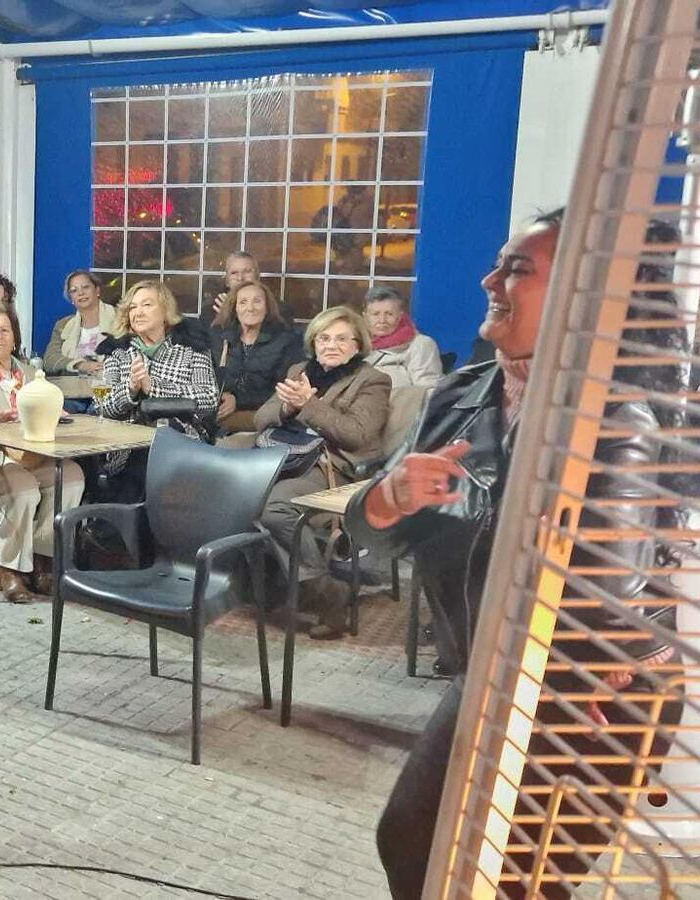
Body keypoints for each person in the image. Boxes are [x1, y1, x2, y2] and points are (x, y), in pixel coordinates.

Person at [347, 209, 682, 898]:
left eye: (518, 269)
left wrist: (576, 677)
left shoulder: (615, 417)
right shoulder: (464, 394)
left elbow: (606, 586)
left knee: (512, 879)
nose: (489, 279)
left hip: (591, 686)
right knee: (414, 842)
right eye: (501, 262)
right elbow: (375, 534)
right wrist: (387, 497)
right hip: (496, 666)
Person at [254, 305, 390, 640]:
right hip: (287, 460)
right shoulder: (301, 370)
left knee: (274, 508)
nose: (331, 345)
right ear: (314, 343)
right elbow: (262, 418)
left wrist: (308, 406)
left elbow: (356, 434)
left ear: (358, 346)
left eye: (343, 339)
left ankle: (328, 595)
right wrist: (287, 407)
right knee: (231, 494)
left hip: (336, 468)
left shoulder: (372, 380)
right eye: (324, 338)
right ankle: (263, 585)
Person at [0, 305, 83, 603]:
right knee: (24, 489)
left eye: (5, 330)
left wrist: (55, 413)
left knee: (71, 476)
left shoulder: (30, 372)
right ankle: (11, 569)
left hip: (30, 454)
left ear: (14, 336)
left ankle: (44, 561)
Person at [92, 280, 217, 500]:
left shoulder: (191, 348)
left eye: (146, 305)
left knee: (156, 460)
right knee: (137, 465)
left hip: (182, 442)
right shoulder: (117, 351)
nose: (137, 312)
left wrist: (154, 387)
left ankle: (119, 529)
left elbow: (208, 398)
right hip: (128, 449)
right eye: (132, 307)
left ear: (165, 311)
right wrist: (130, 389)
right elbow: (102, 406)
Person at [211, 281, 303, 434]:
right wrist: (220, 397)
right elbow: (207, 377)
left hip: (264, 415)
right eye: (243, 302)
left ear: (267, 307)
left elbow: (283, 391)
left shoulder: (286, 341)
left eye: (257, 301)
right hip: (221, 411)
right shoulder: (219, 337)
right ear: (235, 308)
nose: (250, 308)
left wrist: (237, 400)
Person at [41, 269, 121, 379]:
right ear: (71, 299)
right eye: (74, 290)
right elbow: (49, 360)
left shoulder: (120, 319)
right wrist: (80, 365)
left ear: (97, 290)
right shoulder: (63, 325)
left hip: (109, 388)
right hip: (72, 390)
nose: (81, 293)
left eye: (85, 287)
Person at [360, 285, 441, 388]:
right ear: (365, 316)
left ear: (400, 316)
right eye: (375, 314)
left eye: (389, 314)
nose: (382, 320)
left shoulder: (421, 345)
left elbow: (428, 390)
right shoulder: (355, 344)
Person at [209, 250, 262, 319]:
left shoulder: (275, 309)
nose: (240, 278)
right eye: (234, 273)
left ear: (257, 277)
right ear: (227, 281)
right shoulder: (212, 310)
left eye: (247, 271)